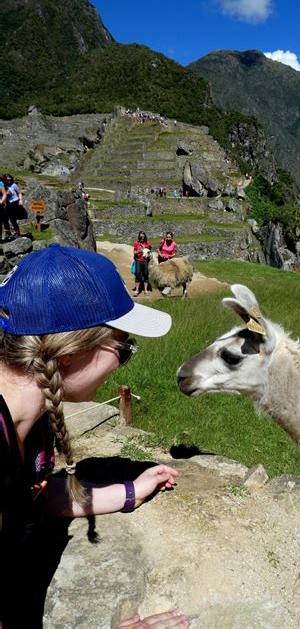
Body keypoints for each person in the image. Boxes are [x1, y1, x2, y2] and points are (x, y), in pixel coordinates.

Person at [0, 245, 189, 628]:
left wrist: (129, 492)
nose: (124, 361)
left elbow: (30, 496)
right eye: (124, 348)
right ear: (69, 353)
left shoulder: (29, 420)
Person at [132, 231, 152, 296]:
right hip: (138, 260)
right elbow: (134, 252)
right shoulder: (136, 243)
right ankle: (137, 290)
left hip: (145, 261)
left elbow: (150, 251)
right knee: (138, 274)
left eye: (143, 236)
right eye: (141, 236)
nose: (142, 238)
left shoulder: (148, 243)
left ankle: (145, 290)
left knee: (146, 274)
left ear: (145, 236)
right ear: (139, 237)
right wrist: (138, 251)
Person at [4, 174, 23, 239]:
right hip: (6, 204)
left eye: (10, 180)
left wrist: (20, 200)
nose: (9, 181)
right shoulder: (3, 186)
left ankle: (17, 232)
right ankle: (8, 232)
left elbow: (19, 192)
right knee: (5, 219)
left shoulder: (14, 185)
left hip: (14, 202)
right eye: (7, 180)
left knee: (13, 219)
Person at [0, 175, 12, 242]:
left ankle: (7, 232)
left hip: (3, 204)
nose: (8, 181)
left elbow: (7, 192)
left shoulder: (2, 184)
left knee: (4, 219)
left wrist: (2, 200)